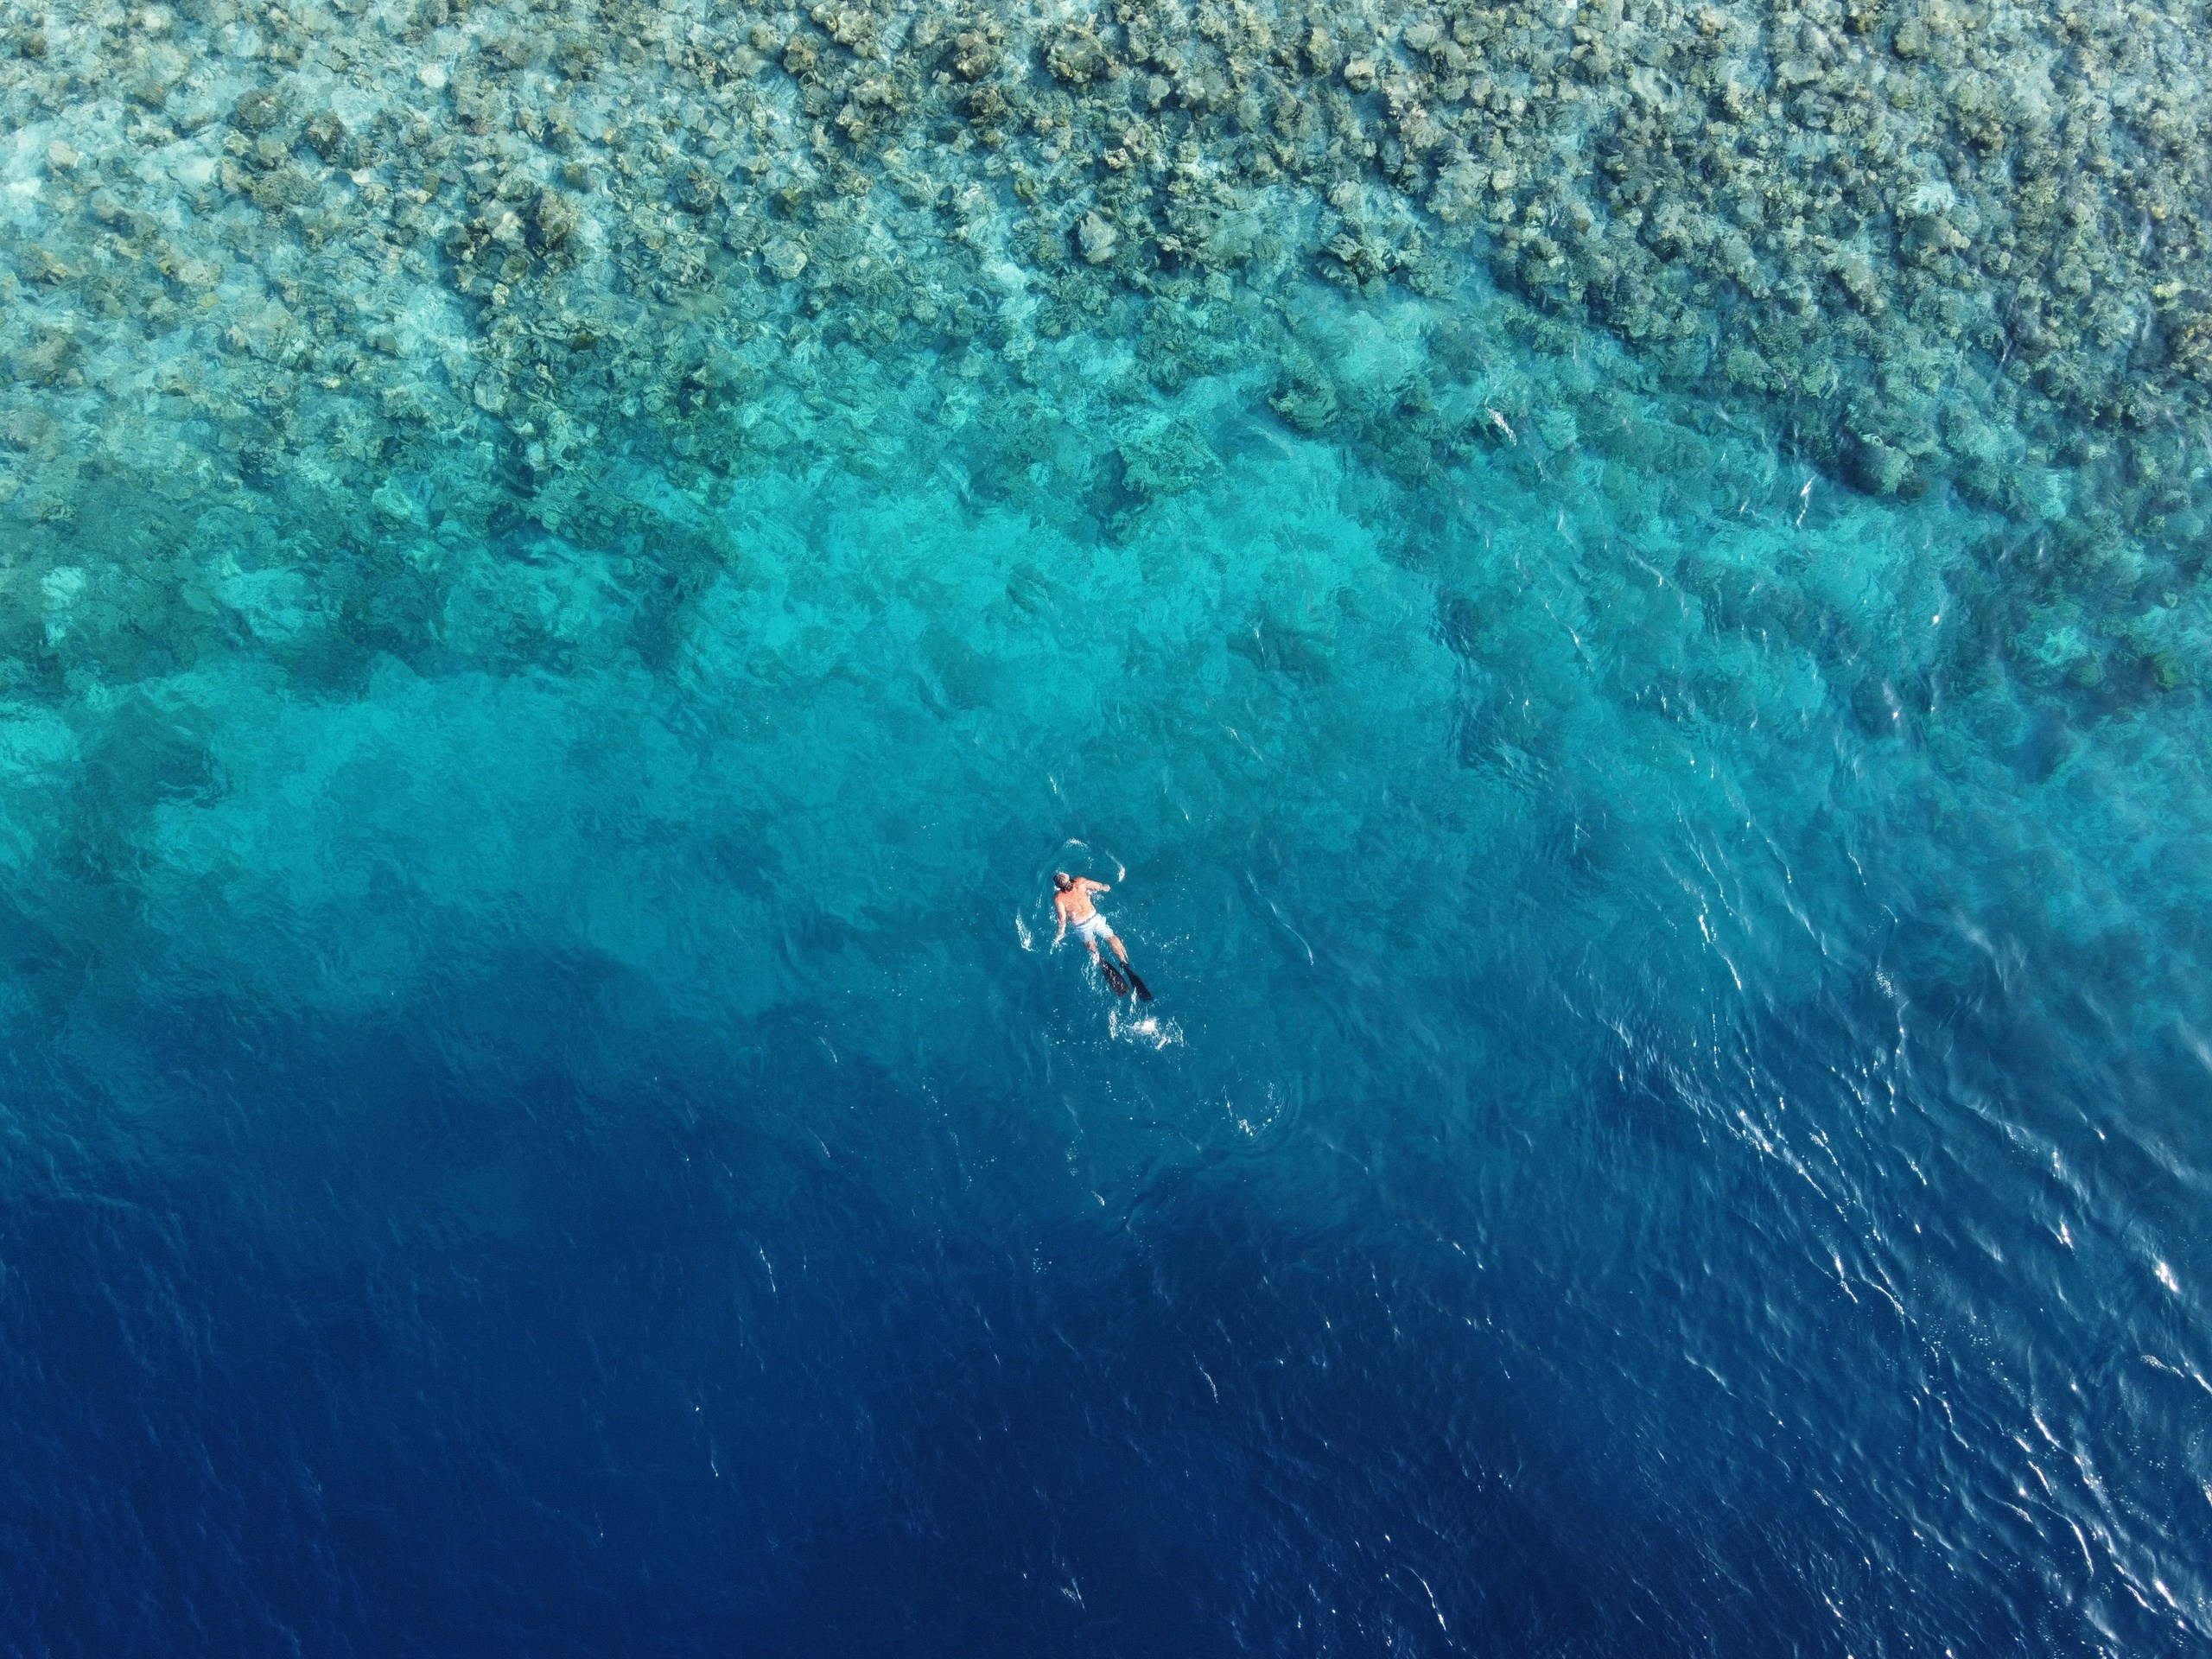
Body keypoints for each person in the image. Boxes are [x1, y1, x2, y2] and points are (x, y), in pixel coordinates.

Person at [1051, 872, 1128, 967]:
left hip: (1081, 926)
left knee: (1090, 945)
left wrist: (1060, 933)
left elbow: (1062, 918)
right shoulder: (1080, 882)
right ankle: (1124, 961)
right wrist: (1105, 887)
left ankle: (1099, 959)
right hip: (1094, 917)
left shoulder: (1058, 898)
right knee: (1111, 937)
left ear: (1058, 886)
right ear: (1069, 878)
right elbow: (1098, 886)